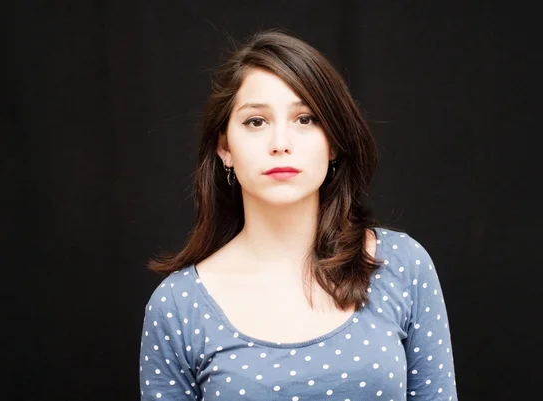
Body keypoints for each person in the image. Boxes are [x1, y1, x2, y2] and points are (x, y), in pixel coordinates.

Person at [139, 28, 458, 400]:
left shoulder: (401, 266)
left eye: (305, 119)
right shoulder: (177, 306)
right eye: (255, 122)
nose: (280, 144)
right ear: (224, 147)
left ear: (334, 142)